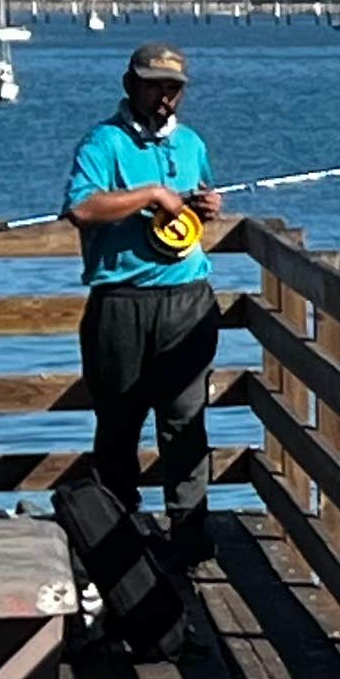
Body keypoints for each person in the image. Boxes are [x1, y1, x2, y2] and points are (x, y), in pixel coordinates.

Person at [65, 43, 226, 572]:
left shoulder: (193, 143)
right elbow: (83, 207)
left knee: (186, 422)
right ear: (131, 85)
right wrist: (151, 193)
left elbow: (194, 210)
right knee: (118, 424)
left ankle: (190, 536)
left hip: (187, 298)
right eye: (155, 85)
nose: (165, 97)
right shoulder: (103, 142)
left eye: (173, 87)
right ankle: (120, 534)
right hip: (122, 302)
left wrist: (207, 206)